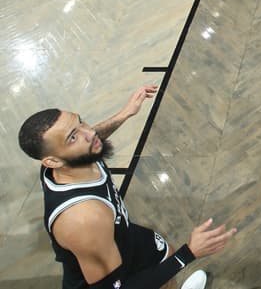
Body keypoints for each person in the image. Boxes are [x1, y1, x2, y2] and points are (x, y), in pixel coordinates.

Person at [17, 86, 236, 289]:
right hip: (110, 268)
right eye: (73, 137)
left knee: (165, 261)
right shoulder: (84, 219)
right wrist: (188, 253)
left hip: (121, 235)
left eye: (80, 122)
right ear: (52, 161)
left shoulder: (73, 157)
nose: (89, 133)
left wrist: (125, 113)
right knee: (168, 269)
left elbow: (93, 135)